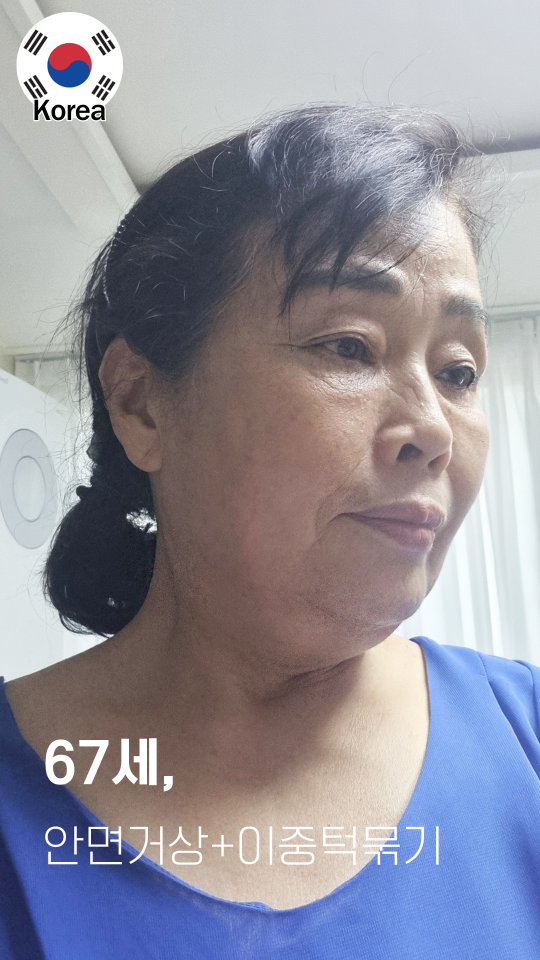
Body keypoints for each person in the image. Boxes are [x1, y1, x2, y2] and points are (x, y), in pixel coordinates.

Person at [1, 103, 540, 959]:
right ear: (142, 403)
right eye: (350, 347)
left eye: (459, 370)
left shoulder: (526, 738)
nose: (434, 430)